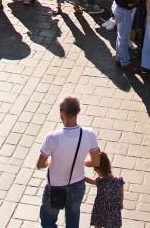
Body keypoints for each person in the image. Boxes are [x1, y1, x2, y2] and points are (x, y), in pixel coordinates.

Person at [36, 95, 102, 228]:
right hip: (77, 185)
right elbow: (96, 162)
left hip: (55, 188)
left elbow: (40, 164)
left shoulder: (52, 137)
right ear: (79, 111)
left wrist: (49, 163)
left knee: (48, 221)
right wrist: (81, 161)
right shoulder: (89, 134)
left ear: (61, 112)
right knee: (73, 221)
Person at [85, 152, 124, 228]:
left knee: (98, 225)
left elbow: (91, 181)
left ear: (99, 169)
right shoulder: (119, 181)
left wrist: (82, 177)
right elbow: (121, 194)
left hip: (100, 209)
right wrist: (121, 203)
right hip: (113, 209)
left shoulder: (100, 181)